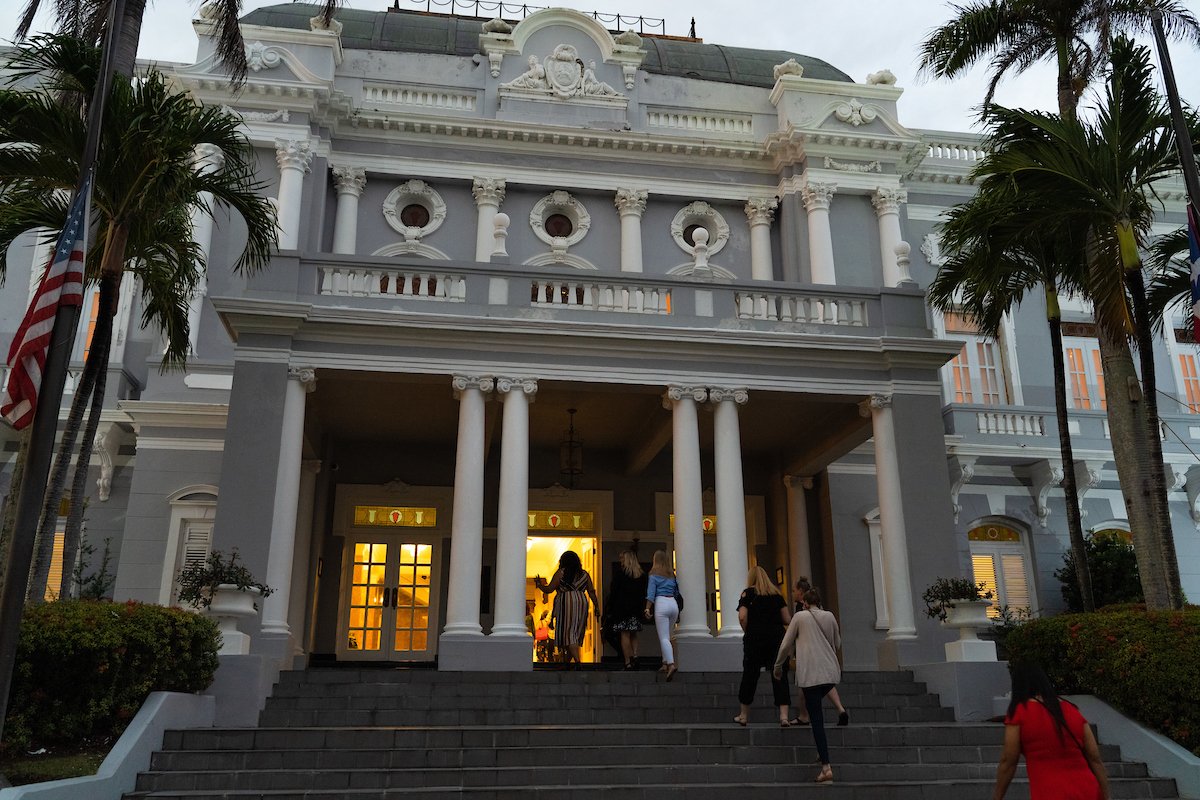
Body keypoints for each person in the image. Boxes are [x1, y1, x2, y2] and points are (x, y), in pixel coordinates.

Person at [992, 661, 1111, 800]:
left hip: (1049, 792)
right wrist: (1106, 796)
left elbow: (1008, 761)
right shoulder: (1071, 709)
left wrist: (997, 797)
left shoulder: (1019, 713)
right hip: (1087, 790)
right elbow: (1094, 758)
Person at [774, 587, 841, 784]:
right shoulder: (830, 616)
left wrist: (777, 666)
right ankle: (822, 753)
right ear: (818, 602)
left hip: (811, 674)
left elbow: (786, 644)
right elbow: (837, 643)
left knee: (817, 719)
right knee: (816, 712)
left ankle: (826, 767)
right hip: (829, 673)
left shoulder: (800, 617)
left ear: (804, 603)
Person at [733, 566, 792, 727]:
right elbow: (787, 619)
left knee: (750, 676)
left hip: (754, 639)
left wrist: (748, 630)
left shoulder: (747, 594)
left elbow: (742, 616)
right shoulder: (777, 595)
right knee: (779, 674)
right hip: (776, 639)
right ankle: (784, 716)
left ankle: (744, 715)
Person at [789, 577, 849, 727]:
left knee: (805, 685)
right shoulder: (826, 613)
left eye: (795, 590)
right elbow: (837, 641)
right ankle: (840, 709)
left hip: (809, 656)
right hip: (825, 657)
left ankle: (804, 715)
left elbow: (792, 637)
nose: (794, 593)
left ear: (802, 594)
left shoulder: (800, 612)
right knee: (827, 684)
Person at [534, 551, 599, 666]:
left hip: (566, 601)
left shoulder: (561, 573)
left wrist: (539, 584)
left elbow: (549, 589)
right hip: (582, 601)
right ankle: (567, 663)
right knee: (576, 632)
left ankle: (577, 661)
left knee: (568, 633)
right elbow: (591, 591)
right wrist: (597, 606)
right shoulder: (584, 574)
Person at [606, 550, 648, 669]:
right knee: (633, 633)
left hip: (622, 609)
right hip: (636, 609)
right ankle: (635, 655)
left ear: (626, 560)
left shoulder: (620, 574)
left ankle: (627, 662)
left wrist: (610, 608)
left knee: (624, 634)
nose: (621, 561)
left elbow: (614, 592)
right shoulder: (641, 575)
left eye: (622, 559)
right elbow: (643, 593)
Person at [643, 550, 679, 681]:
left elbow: (651, 593)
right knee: (668, 636)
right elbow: (676, 591)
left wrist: (647, 608)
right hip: (673, 604)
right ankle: (664, 663)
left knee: (663, 638)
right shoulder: (671, 575)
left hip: (661, 603)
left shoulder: (653, 575)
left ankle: (671, 664)